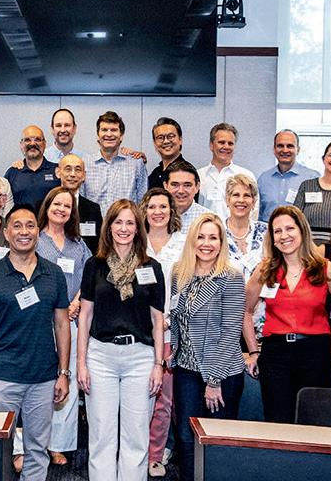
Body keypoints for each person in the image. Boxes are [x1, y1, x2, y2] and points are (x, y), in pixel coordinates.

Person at [0, 204, 72, 481]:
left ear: (38, 232)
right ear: (6, 233)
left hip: (43, 378)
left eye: (30, 225)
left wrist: (64, 373)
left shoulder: (53, 274)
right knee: (0, 449)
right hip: (1, 378)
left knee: (37, 449)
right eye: (17, 226)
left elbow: (62, 325)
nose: (24, 231)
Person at [78, 199, 165, 481]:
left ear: (138, 228)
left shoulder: (152, 267)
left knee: (136, 436)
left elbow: (158, 320)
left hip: (140, 358)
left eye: (130, 223)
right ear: (109, 227)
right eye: (118, 222)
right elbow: (85, 316)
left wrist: (158, 365)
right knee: (101, 435)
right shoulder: (94, 265)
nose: (124, 228)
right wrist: (81, 363)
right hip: (100, 356)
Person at [244, 206, 331, 424]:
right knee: (278, 421)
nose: (284, 236)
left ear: (302, 231)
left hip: (316, 354)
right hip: (276, 356)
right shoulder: (265, 270)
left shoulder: (324, 268)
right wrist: (253, 351)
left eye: (290, 228)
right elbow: (245, 310)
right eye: (277, 231)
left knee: (315, 421)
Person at [167, 214, 249, 478]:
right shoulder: (179, 272)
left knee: (217, 440)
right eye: (200, 237)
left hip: (221, 373)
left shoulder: (231, 277)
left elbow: (231, 332)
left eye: (213, 238)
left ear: (221, 242)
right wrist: (173, 348)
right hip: (186, 369)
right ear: (192, 240)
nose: (206, 243)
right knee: (185, 437)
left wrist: (214, 381)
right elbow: (176, 314)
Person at [36, 187, 91, 468]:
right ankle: (34, 443)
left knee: (65, 379)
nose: (61, 209)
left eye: (67, 206)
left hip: (72, 321)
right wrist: (55, 308)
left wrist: (75, 302)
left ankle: (59, 444)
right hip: (40, 321)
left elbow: (90, 275)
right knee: (38, 385)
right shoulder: (35, 239)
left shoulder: (77, 244)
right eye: (56, 203)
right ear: (47, 206)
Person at [140, 188, 183, 476]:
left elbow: (187, 285)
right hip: (138, 332)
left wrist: (170, 319)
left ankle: (155, 454)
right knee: (137, 397)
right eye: (152, 207)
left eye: (163, 207)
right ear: (144, 211)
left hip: (168, 332)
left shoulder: (182, 243)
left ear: (171, 211)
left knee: (163, 399)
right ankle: (134, 450)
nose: (158, 212)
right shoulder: (135, 241)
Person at [84, 111, 148, 213]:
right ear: (98, 135)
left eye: (114, 130)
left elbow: (143, 202)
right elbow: (81, 202)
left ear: (121, 136)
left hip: (126, 222)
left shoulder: (136, 164)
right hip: (94, 223)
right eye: (104, 130)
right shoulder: (85, 164)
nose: (109, 134)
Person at [198, 123, 256, 219]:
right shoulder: (199, 176)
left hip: (237, 228)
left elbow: (254, 211)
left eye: (230, 143)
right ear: (211, 145)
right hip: (205, 228)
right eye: (221, 142)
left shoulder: (247, 175)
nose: (226, 147)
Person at [257, 129, 319, 218]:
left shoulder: (312, 178)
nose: (285, 150)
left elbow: (316, 212)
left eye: (290, 146)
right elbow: (257, 213)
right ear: (274, 149)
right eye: (280, 146)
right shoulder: (263, 179)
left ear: (298, 150)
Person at [224, 173, 268, 280]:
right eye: (236, 195)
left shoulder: (266, 231)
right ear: (227, 200)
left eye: (247, 195)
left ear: (254, 202)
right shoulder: (216, 232)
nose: (241, 200)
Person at [5, 125, 61, 209]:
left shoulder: (58, 170)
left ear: (44, 144)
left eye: (37, 139)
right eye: (27, 140)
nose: (32, 143)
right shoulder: (12, 173)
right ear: (21, 144)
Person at [57, 154, 103, 252]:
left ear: (83, 176)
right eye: (68, 169)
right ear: (58, 172)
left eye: (78, 170)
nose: (73, 174)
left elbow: (98, 246)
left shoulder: (93, 209)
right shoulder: (44, 206)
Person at [147, 117, 190, 192]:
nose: (166, 141)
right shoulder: (155, 173)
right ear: (155, 143)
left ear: (180, 139)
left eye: (171, 136)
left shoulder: (187, 172)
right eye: (160, 138)